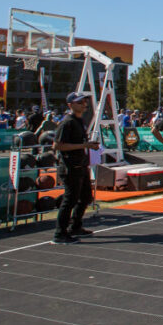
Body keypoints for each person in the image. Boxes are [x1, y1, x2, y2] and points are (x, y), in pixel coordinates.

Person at [52, 92, 100, 244]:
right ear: (70, 105)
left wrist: (88, 144)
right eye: (80, 102)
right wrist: (84, 145)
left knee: (86, 197)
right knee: (70, 200)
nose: (84, 104)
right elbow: (57, 145)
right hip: (70, 167)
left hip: (81, 165)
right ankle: (60, 233)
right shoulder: (67, 122)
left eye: (84, 102)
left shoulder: (80, 121)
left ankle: (75, 226)